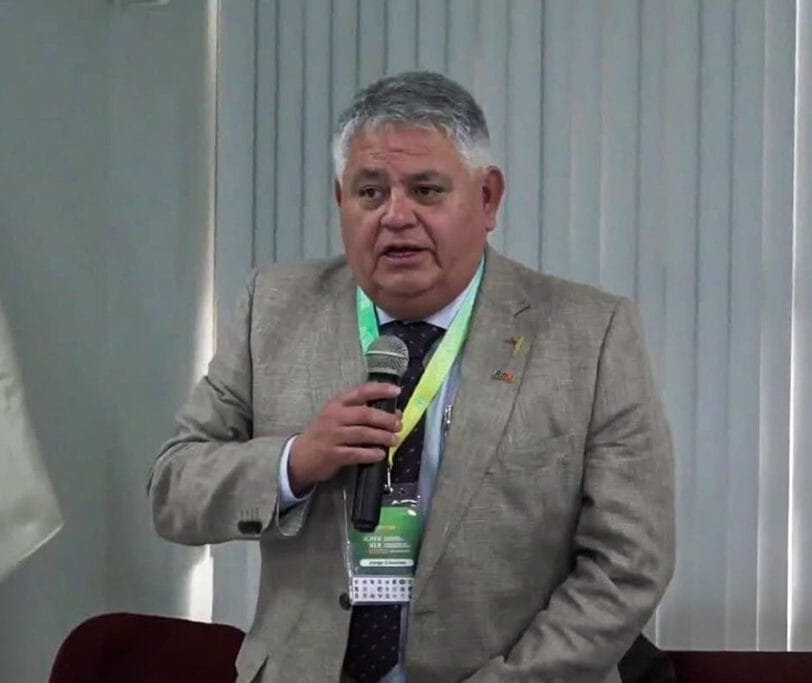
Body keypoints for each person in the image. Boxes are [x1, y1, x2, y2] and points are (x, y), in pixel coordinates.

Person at [149, 71, 674, 683]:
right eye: (370, 193)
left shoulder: (589, 333)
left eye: (426, 191)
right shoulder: (273, 308)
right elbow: (173, 490)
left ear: (487, 199)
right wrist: (295, 462)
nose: (396, 216)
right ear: (340, 199)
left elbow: (628, 563)